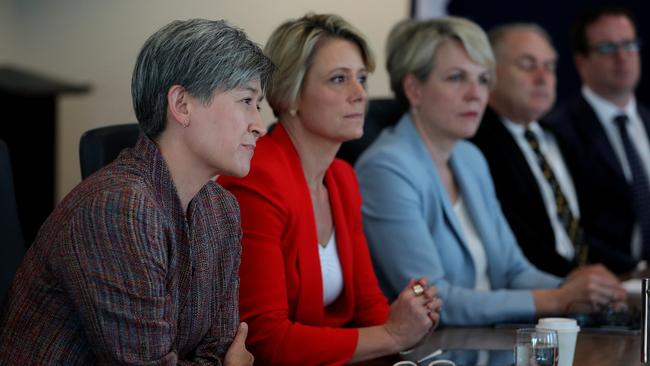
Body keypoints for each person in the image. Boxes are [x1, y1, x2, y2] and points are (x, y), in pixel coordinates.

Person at [0, 19, 274, 364]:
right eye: (246, 100)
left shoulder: (221, 208)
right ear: (182, 105)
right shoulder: (118, 208)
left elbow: (221, 346)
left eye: (258, 105)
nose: (260, 126)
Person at [355, 17, 626, 327]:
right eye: (457, 78)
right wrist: (556, 299)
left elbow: (513, 270)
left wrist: (586, 292)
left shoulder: (470, 158)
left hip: (487, 346)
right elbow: (433, 301)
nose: (476, 94)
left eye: (483, 79)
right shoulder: (386, 169)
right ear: (414, 89)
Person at [219, 13, 441, 365]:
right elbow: (264, 340)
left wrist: (411, 319)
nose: (360, 94)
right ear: (289, 94)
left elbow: (369, 309)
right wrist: (390, 334)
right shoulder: (256, 177)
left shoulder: (341, 178)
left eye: (363, 79)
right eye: (339, 79)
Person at [470, 22, 626, 297]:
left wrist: (627, 269)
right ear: (490, 73)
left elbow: (582, 228)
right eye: (528, 65)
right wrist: (572, 281)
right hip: (536, 298)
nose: (543, 77)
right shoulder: (477, 145)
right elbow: (515, 239)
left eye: (550, 66)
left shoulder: (558, 136)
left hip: (591, 292)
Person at [546, 5, 650, 274]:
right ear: (581, 62)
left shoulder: (647, 121)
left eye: (629, 44)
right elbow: (568, 227)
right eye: (607, 48)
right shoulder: (558, 130)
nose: (622, 57)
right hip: (603, 286)